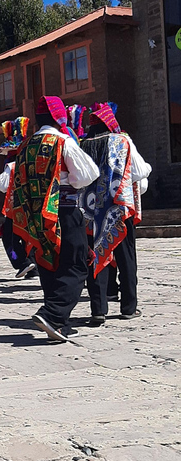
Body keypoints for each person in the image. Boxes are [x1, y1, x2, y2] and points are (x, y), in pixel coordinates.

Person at [8, 96, 99, 342]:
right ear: (60, 118)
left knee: (49, 263)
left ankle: (57, 323)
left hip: (35, 216)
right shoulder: (62, 141)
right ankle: (53, 314)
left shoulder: (25, 146)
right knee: (76, 264)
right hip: (65, 211)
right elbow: (87, 174)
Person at [81, 102, 152, 326]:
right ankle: (129, 306)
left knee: (95, 257)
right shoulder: (122, 141)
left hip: (91, 212)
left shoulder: (83, 145)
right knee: (126, 256)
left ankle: (98, 309)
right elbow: (140, 171)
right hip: (118, 208)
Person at [0, 117, 37, 279]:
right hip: (32, 207)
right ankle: (34, 267)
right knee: (31, 236)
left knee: (9, 238)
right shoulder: (31, 163)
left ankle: (21, 262)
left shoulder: (11, 166)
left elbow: (3, 186)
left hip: (15, 209)